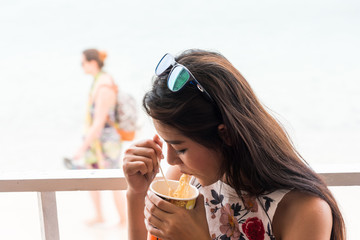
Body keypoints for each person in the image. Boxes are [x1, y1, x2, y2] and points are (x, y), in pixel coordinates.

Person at [122, 49, 345, 240]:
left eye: (180, 148)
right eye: (166, 143)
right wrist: (136, 193)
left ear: (226, 135)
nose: (170, 159)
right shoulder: (188, 181)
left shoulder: (303, 210)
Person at [73, 48, 126, 227]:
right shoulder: (98, 81)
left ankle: (124, 219)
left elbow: (99, 122)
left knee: (112, 177)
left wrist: (81, 148)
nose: (81, 66)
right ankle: (99, 215)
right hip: (97, 141)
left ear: (93, 63)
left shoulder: (104, 85)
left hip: (106, 141)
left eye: (83, 63)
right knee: (91, 174)